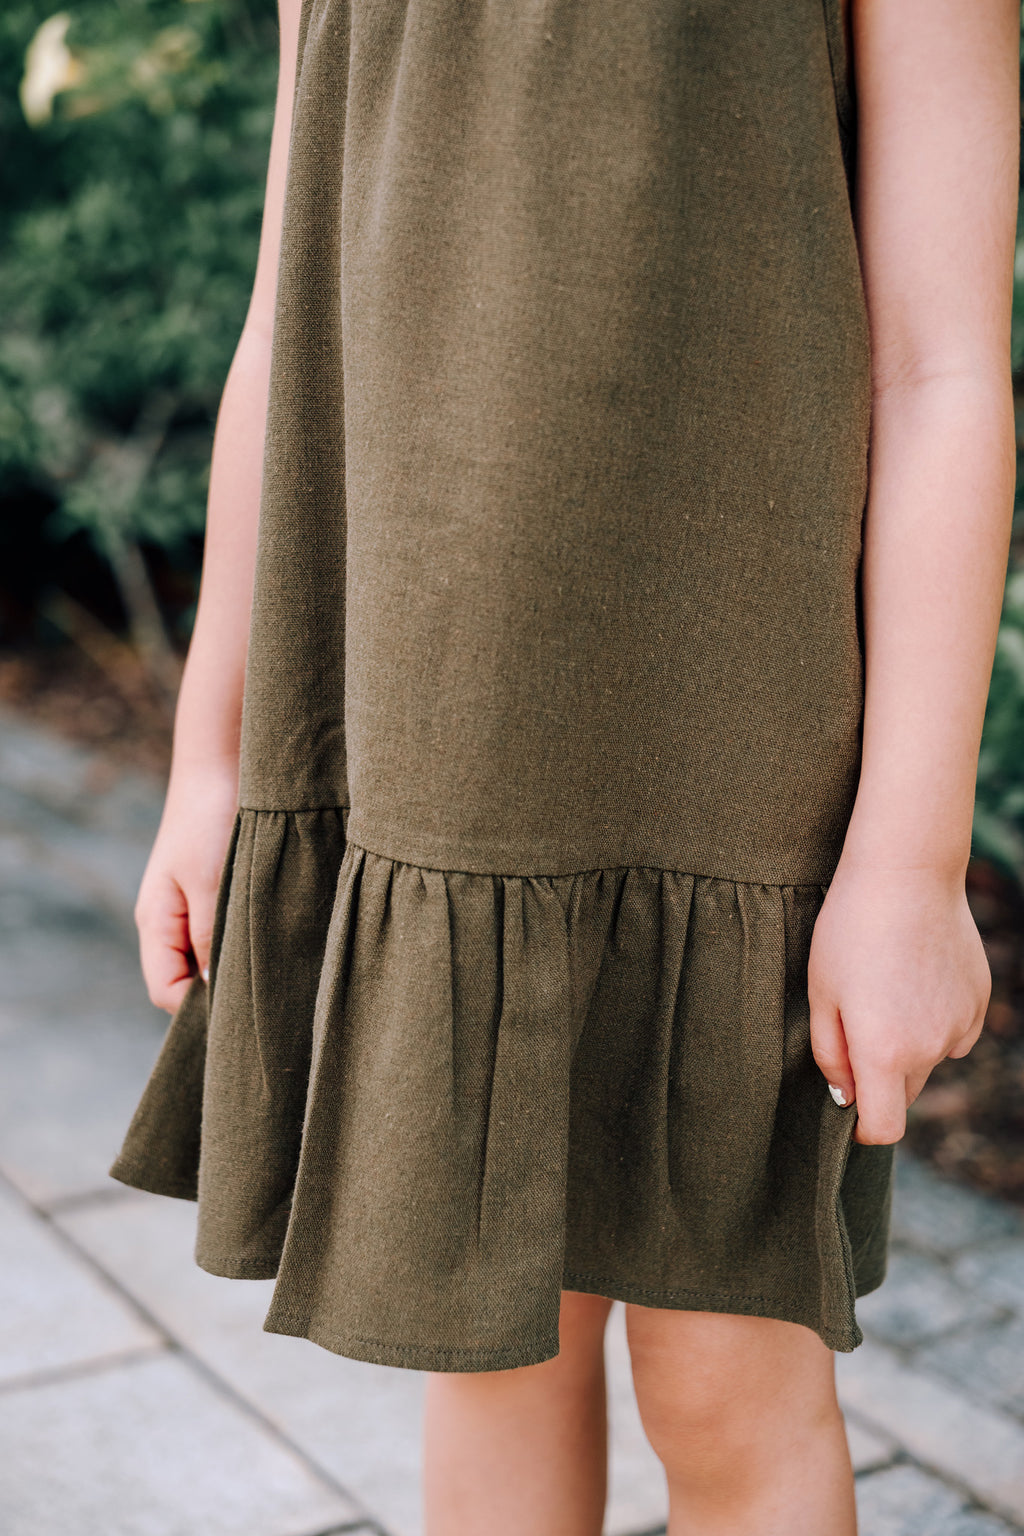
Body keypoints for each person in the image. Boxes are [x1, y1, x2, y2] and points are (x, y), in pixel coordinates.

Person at [114, 0, 1019, 1531]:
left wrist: (912, 861)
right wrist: (210, 758)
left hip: (739, 758)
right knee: (490, 1345)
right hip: (430, 734)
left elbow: (941, 366)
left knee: (727, 1372)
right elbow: (292, 306)